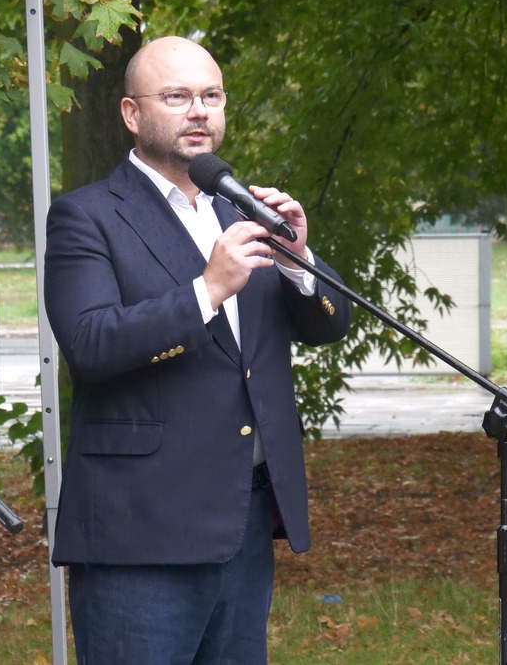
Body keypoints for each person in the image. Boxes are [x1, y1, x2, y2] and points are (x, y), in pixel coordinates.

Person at [43, 35, 352, 664]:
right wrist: (207, 290)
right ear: (132, 114)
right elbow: (90, 345)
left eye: (211, 96)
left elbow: (329, 325)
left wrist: (297, 261)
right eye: (177, 96)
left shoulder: (242, 211)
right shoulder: (87, 215)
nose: (198, 111)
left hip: (244, 521)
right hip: (141, 529)